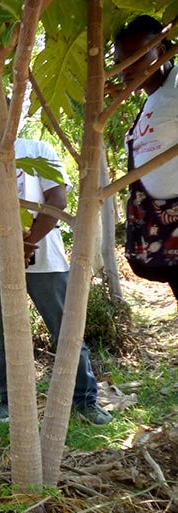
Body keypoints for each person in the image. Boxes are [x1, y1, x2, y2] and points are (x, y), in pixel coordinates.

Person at [0, 137, 113, 426]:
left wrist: (27, 243)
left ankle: (85, 400)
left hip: (46, 258)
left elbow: (57, 199)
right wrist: (8, 247)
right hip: (2, 265)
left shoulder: (37, 150)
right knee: (6, 339)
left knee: (66, 330)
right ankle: (10, 402)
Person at [113, 15, 178, 300]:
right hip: (164, 231)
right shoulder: (153, 99)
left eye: (134, 57)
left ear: (160, 53)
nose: (124, 69)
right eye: (118, 62)